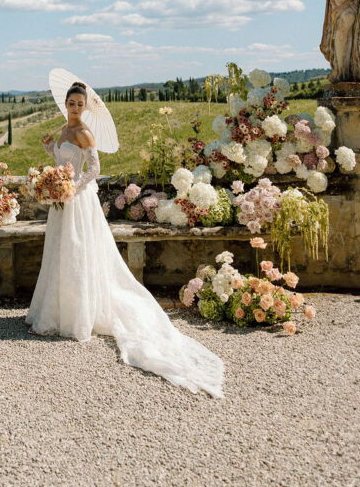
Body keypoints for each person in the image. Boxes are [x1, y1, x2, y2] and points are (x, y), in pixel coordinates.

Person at [26, 79, 224, 397]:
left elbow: (93, 169)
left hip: (79, 202)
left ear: (85, 107)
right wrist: (51, 153)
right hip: (62, 203)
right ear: (65, 103)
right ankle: (56, 310)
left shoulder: (85, 132)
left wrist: (71, 188)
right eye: (71, 103)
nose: (75, 108)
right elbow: (62, 164)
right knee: (60, 253)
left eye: (80, 104)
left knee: (79, 253)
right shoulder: (64, 130)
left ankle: (78, 316)